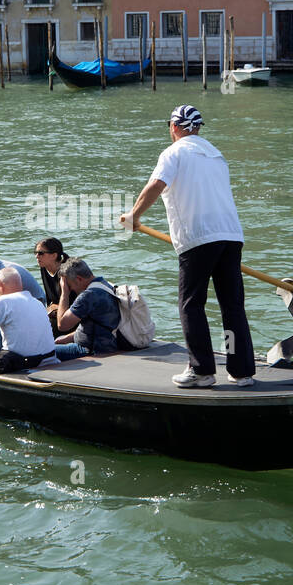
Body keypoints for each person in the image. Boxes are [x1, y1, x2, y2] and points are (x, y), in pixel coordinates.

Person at [121, 104, 256, 388]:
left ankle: (202, 370)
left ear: (174, 127)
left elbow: (156, 184)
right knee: (232, 306)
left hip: (198, 238)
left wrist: (134, 216)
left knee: (191, 305)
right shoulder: (216, 154)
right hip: (231, 236)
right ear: (197, 127)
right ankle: (241, 371)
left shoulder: (173, 152)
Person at [52, 258, 121, 361]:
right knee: (59, 340)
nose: (71, 289)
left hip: (91, 350)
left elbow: (62, 325)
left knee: (44, 353)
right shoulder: (105, 284)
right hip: (109, 343)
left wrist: (64, 293)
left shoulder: (88, 295)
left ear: (79, 279)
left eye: (69, 285)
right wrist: (68, 338)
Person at [34, 238, 70, 335]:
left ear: (54, 255)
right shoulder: (44, 268)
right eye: (35, 252)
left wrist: (54, 308)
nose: (37, 256)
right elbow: (51, 300)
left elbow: (74, 303)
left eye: (41, 253)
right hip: (55, 312)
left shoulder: (67, 272)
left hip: (70, 316)